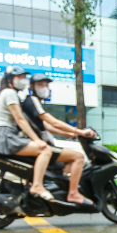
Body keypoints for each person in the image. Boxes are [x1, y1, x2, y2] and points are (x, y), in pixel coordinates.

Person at [0, 65, 59, 201]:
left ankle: (30, 187)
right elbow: (20, 119)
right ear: (10, 79)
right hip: (4, 135)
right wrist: (37, 140)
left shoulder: (10, 93)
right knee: (45, 150)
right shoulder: (9, 93)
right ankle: (37, 186)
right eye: (19, 77)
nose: (23, 80)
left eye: (24, 77)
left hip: (4, 134)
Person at [21, 73, 96, 205]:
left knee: (67, 163)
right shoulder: (32, 100)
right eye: (40, 85)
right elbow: (52, 122)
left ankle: (58, 190)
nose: (44, 88)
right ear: (32, 86)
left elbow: (46, 126)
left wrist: (70, 134)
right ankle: (73, 193)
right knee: (78, 157)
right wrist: (79, 131)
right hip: (38, 146)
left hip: (35, 145)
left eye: (46, 85)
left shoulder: (32, 102)